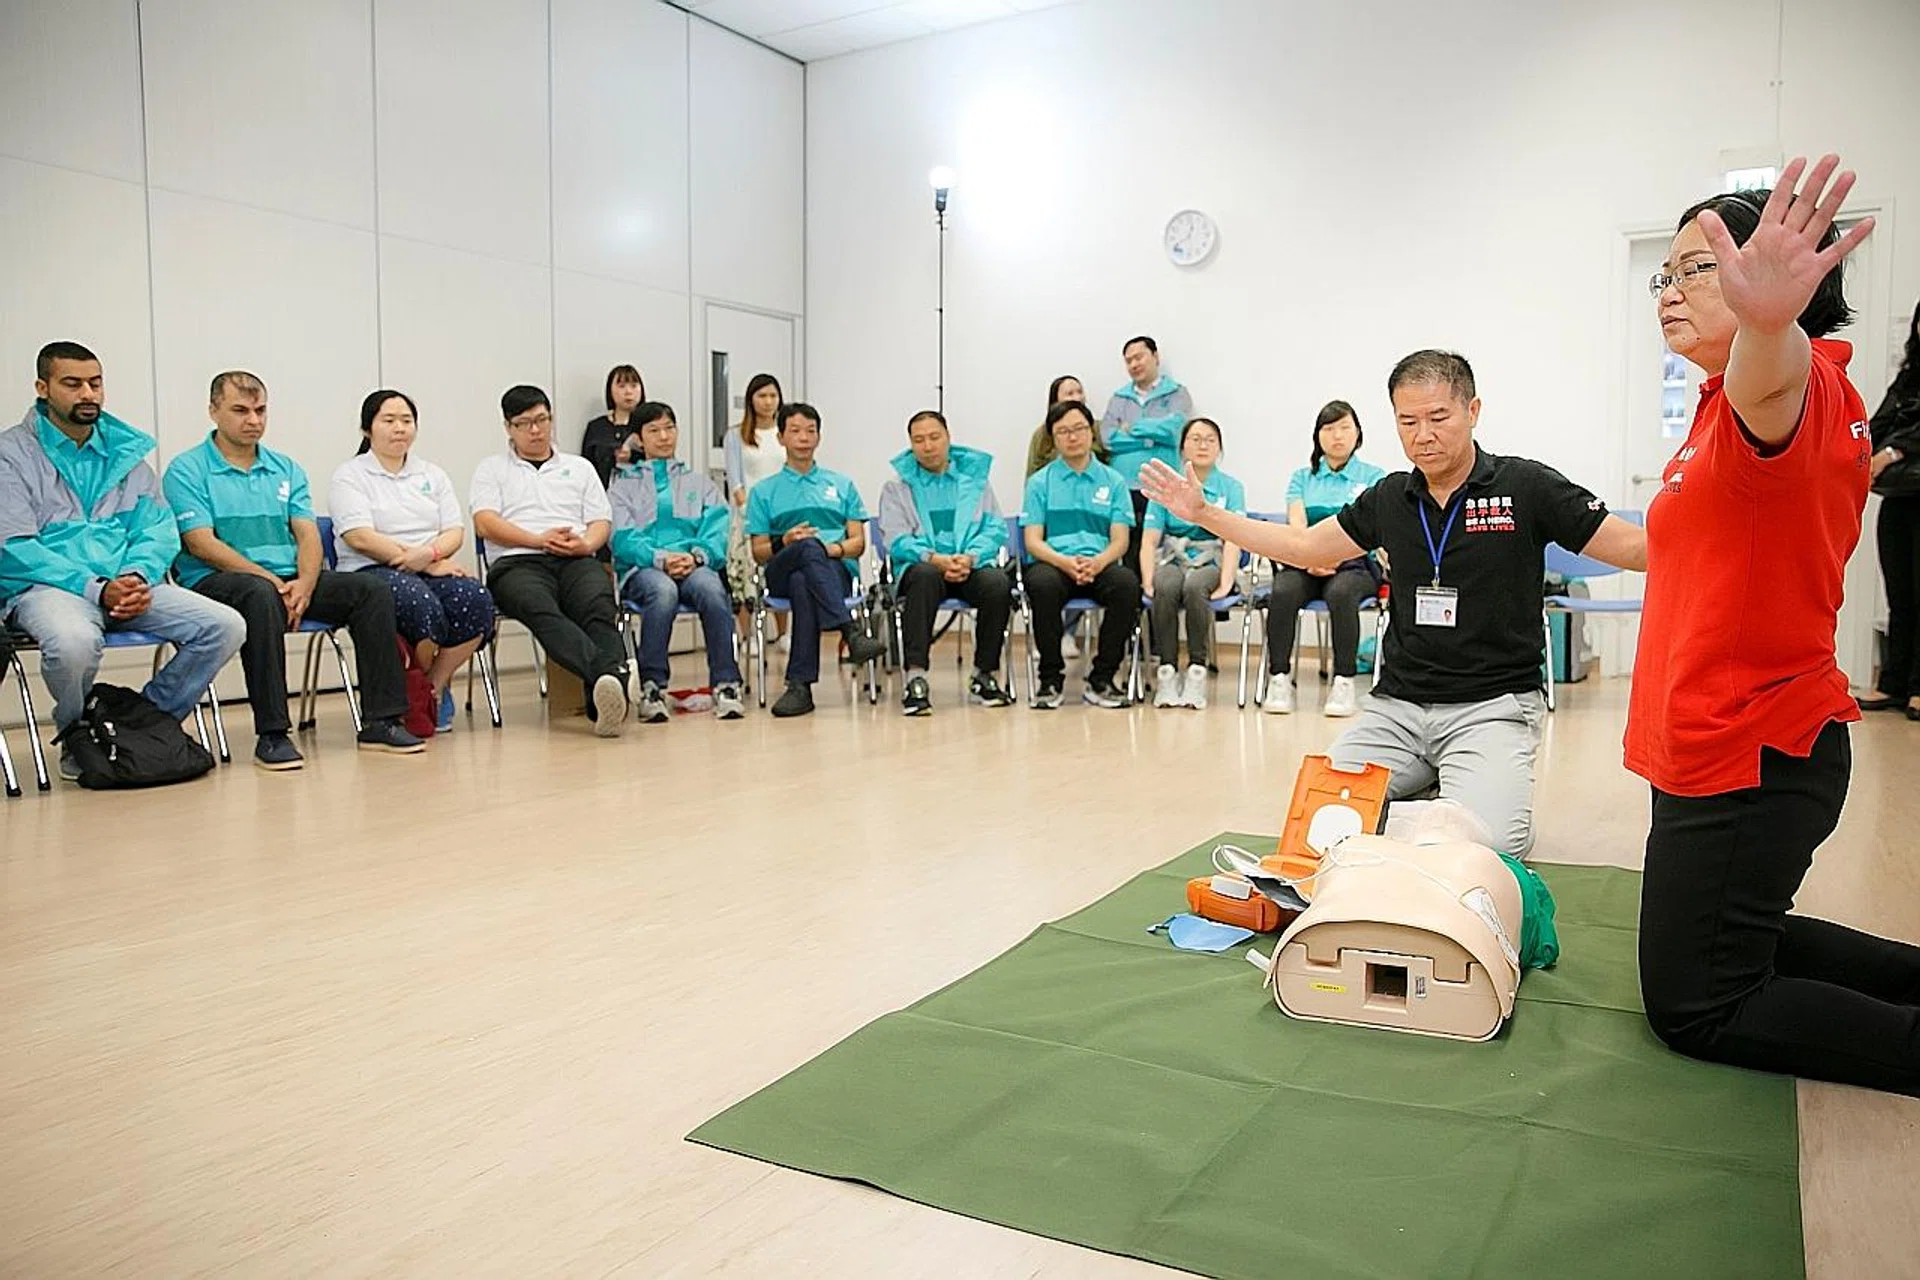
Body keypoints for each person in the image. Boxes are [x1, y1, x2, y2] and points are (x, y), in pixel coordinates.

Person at [1625, 156, 1920, 1095]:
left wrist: (1765, 319)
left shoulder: (1785, 383)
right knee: (1736, 930)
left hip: (1753, 749)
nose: (1668, 289)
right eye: (1664, 272)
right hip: (1729, 736)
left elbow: (1771, 378)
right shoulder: (1718, 407)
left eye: (1696, 266)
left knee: (1695, 1004)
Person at [1141, 349, 1646, 857]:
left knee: (1483, 853)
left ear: (1473, 412)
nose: (1422, 434)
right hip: (1396, 711)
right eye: (1408, 421)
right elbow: (1304, 547)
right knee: (1317, 831)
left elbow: (1631, 546)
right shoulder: (1389, 498)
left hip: (1491, 707)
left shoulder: (1524, 487)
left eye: (1438, 418)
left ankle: (1450, 806)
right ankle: (1436, 802)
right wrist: (1205, 514)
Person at [0, 343, 245, 781]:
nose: (88, 394)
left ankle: (137, 721)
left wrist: (134, 576)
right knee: (73, 642)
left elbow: (156, 529)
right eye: (72, 384)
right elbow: (14, 545)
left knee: (225, 626)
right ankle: (77, 733)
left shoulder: (125, 452)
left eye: (95, 383)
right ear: (43, 388)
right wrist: (97, 587)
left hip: (128, 584)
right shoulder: (12, 455)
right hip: (51, 588)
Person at [162, 371, 424, 769]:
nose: (253, 420)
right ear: (213, 411)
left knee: (370, 590)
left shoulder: (285, 468)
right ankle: (273, 733)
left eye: (260, 410)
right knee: (260, 595)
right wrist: (271, 580)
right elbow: (201, 543)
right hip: (215, 582)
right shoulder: (187, 470)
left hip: (287, 580)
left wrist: (304, 583)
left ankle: (382, 721)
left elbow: (308, 535)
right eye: (240, 410)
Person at [329, 389, 495, 733]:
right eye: (388, 420)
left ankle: (431, 686)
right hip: (369, 570)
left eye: (406, 420)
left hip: (428, 565)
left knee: (476, 599)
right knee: (421, 604)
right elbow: (358, 536)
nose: (399, 428)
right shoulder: (351, 475)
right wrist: (422, 560)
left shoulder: (430, 474)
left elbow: (454, 531)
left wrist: (431, 555)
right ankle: (414, 687)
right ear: (367, 429)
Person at [471, 384, 631, 736]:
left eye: (542, 420)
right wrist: (537, 539)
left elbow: (601, 521)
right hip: (517, 562)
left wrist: (585, 544)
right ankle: (614, 674)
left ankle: (604, 700)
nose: (536, 430)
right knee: (540, 609)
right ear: (508, 428)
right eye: (525, 423)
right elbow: (485, 523)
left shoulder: (579, 467)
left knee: (598, 603)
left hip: (575, 557)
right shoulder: (492, 469)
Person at [746, 403, 887, 717]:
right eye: (795, 431)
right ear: (781, 437)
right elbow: (758, 552)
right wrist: (785, 540)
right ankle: (850, 631)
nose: (803, 438)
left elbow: (857, 543)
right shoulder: (764, 491)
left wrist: (829, 549)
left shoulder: (841, 484)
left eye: (810, 431)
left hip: (833, 570)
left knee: (805, 579)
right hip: (780, 568)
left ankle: (800, 686)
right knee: (803, 553)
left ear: (819, 437)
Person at [608, 401, 744, 722]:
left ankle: (726, 684)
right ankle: (652, 687)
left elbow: (717, 528)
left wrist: (696, 556)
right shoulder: (623, 485)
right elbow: (621, 537)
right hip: (645, 570)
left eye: (669, 428)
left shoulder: (698, 483)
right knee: (663, 592)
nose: (664, 436)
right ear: (639, 438)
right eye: (654, 430)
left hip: (694, 564)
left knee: (712, 590)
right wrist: (660, 559)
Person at [877, 409, 1015, 715]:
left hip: (969, 564)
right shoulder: (897, 488)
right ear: (910, 445)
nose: (928, 446)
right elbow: (895, 538)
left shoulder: (976, 483)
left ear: (949, 438)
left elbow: (994, 529)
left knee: (997, 583)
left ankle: (984, 673)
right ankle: (916, 676)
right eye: (919, 440)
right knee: (924, 575)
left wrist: (971, 557)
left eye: (934, 437)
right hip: (925, 567)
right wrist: (934, 558)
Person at [1263, 400, 1389, 718]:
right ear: (1317, 436)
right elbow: (1296, 526)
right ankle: (1279, 678)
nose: (1337, 436)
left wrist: (1337, 557)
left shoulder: (1374, 477)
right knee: (1283, 589)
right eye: (1329, 428)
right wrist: (1310, 559)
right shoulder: (1302, 478)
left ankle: (1343, 680)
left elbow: (1375, 531)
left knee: (1341, 592)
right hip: (1308, 560)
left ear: (1358, 434)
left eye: (1345, 427)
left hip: (1356, 564)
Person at [1021, 400, 1139, 710]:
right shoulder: (1039, 483)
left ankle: (1101, 679)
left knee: (1126, 584)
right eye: (1063, 432)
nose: (1072, 437)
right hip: (1054, 563)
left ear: (1091, 433)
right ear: (1053, 439)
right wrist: (1064, 562)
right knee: (1042, 585)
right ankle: (1049, 679)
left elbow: (1120, 540)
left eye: (1079, 429)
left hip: (1098, 563)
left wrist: (1099, 562)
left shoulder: (1113, 482)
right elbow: (1033, 540)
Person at [1141, 417, 1243, 710]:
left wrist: (1226, 581)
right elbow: (1149, 540)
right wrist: (1148, 579)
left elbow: (1234, 538)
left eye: (1210, 439)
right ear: (1182, 447)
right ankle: (1167, 671)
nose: (1202, 445)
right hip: (1173, 558)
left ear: (1220, 448)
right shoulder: (1167, 486)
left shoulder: (1231, 488)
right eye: (1195, 438)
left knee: (1196, 586)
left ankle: (1197, 669)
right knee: (1166, 584)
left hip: (1211, 560)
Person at [1856, 298, 1920, 719]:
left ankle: (1918, 688)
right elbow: (1878, 421)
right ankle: (1894, 683)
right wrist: (1865, 450)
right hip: (1898, 497)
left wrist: (1892, 453)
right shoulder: (1909, 375)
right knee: (1899, 592)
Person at [1099, 336, 1193, 573]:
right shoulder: (1119, 398)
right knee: (1128, 552)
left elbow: (1173, 431)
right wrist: (1152, 437)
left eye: (1138, 357)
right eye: (1128, 361)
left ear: (1155, 356)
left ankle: (1156, 604)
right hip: (1124, 486)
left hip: (1162, 486)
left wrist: (1132, 427)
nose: (1134, 364)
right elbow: (1108, 438)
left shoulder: (1177, 394)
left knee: (1159, 552)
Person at [723, 373, 788, 639]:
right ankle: (747, 634)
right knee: (745, 575)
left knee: (779, 568)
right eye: (762, 396)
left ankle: (784, 633)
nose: (768, 402)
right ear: (751, 399)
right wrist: (748, 509)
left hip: (781, 513)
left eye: (773, 395)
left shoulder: (784, 433)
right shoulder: (735, 435)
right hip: (747, 514)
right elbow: (735, 481)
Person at [1024, 375, 1111, 478]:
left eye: (1080, 392)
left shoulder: (1100, 428)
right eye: (1070, 394)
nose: (1077, 397)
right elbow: (1032, 473)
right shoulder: (1041, 434)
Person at [580, 364, 645, 488]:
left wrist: (633, 457)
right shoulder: (596, 427)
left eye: (634, 386)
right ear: (610, 390)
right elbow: (586, 467)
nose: (628, 392)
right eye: (621, 386)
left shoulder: (648, 426)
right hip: (603, 496)